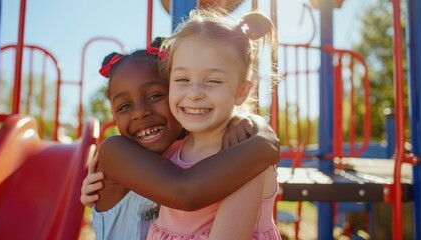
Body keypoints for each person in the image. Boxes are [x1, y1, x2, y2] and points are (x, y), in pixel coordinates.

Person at [81, 37, 280, 239]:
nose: (139, 113)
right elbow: (184, 193)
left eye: (155, 96)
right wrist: (264, 140)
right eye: (124, 107)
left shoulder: (181, 146)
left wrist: (245, 120)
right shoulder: (114, 152)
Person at [146, 9, 281, 239]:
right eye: (182, 79)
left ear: (241, 91)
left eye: (213, 81)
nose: (195, 93)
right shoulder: (172, 148)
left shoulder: (246, 154)